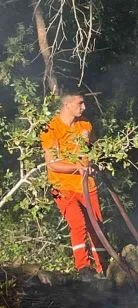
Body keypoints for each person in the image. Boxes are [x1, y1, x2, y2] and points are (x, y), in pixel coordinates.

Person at [41, 89, 106, 280]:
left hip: (87, 186)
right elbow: (53, 164)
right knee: (78, 223)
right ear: (67, 104)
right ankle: (83, 268)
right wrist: (78, 168)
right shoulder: (50, 128)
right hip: (62, 187)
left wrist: (95, 162)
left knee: (97, 225)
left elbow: (96, 148)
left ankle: (103, 267)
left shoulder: (85, 124)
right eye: (80, 103)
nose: (84, 107)